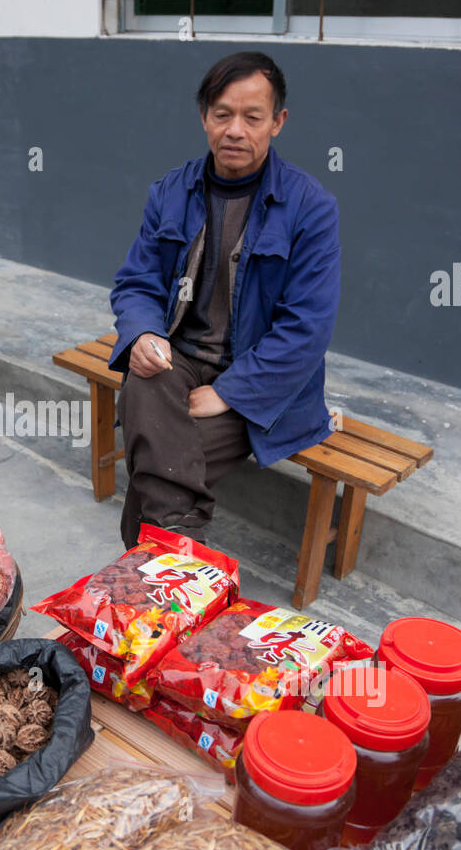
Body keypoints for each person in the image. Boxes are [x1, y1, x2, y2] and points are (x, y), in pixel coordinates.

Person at [109, 51, 341, 549]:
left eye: (252, 117)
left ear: (277, 122)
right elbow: (136, 282)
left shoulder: (310, 207)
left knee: (156, 466)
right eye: (222, 114)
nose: (235, 130)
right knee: (143, 381)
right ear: (204, 117)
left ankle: (156, 571)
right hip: (182, 360)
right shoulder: (170, 191)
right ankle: (177, 562)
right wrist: (145, 333)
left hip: (263, 385)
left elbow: (308, 328)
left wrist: (230, 392)